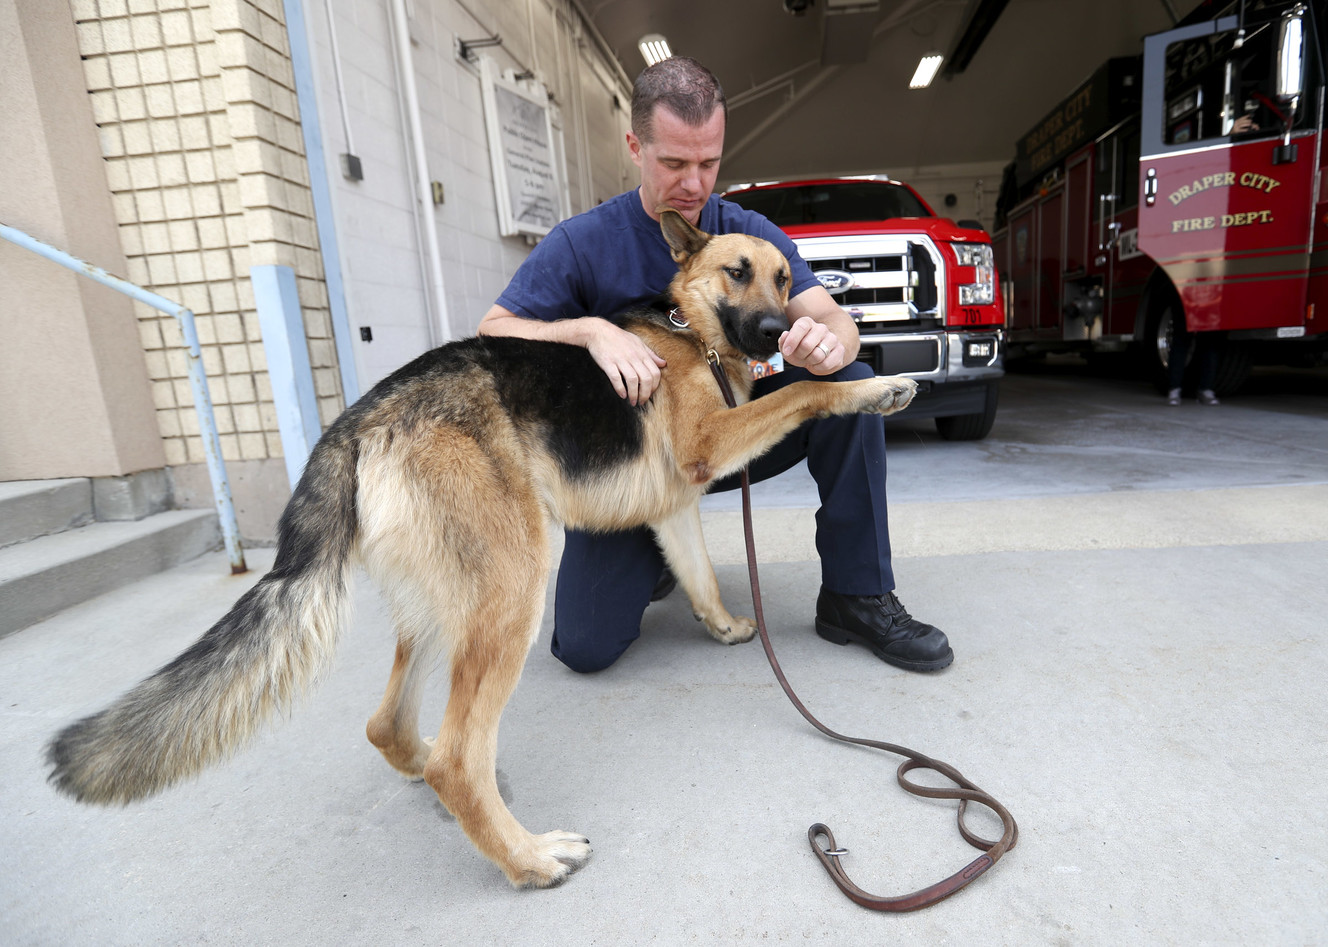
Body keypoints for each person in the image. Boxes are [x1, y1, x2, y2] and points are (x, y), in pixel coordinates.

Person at [477, 57, 952, 674]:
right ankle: (652, 559)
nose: (695, 185)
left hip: (725, 435)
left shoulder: (749, 235)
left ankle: (855, 595)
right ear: (635, 146)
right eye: (674, 163)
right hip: (629, 467)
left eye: (709, 163)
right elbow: (492, 331)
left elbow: (838, 322)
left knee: (851, 386)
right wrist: (591, 331)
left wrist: (830, 346)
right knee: (585, 647)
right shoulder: (583, 241)